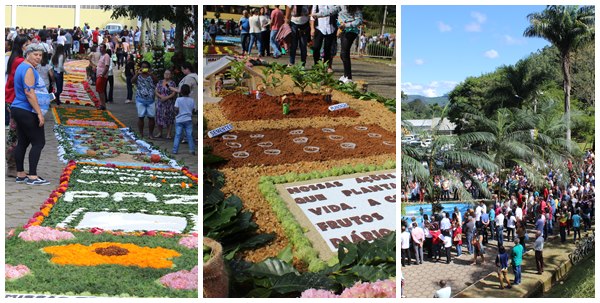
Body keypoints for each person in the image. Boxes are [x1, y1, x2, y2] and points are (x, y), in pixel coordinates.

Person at [11, 43, 50, 185]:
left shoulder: (22, 66)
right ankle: (32, 176)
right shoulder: (28, 69)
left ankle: (20, 174)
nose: (38, 58)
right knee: (39, 142)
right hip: (26, 109)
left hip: (18, 108)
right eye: (35, 54)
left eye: (40, 55)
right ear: (28, 54)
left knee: (23, 141)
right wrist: (39, 113)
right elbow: (29, 92)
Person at [5, 34, 30, 178]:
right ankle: (12, 166)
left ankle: (15, 166)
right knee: (14, 135)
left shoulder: (14, 58)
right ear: (22, 46)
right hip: (15, 100)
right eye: (27, 45)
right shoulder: (20, 61)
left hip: (12, 99)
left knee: (15, 134)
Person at [132, 61, 158, 138]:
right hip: (140, 99)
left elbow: (157, 81)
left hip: (151, 100)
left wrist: (151, 74)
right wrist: (137, 73)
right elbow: (132, 81)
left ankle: (150, 134)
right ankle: (141, 134)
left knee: (151, 117)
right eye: (143, 67)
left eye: (146, 67)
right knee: (141, 117)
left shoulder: (151, 76)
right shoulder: (138, 76)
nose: (144, 68)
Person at [337, 5, 363, 83]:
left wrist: (346, 25)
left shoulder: (356, 8)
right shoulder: (341, 5)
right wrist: (318, 15)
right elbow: (332, 10)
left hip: (351, 31)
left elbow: (359, 21)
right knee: (343, 54)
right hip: (343, 30)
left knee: (344, 53)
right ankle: (346, 75)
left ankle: (348, 77)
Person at [172, 84, 196, 155]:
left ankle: (175, 150)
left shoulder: (178, 99)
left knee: (177, 135)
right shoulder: (192, 100)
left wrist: (175, 114)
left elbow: (176, 109)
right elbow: (194, 110)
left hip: (179, 119)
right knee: (190, 135)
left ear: (181, 92)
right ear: (189, 92)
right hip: (188, 119)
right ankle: (192, 150)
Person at [154, 69, 177, 139]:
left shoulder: (172, 83)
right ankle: (160, 132)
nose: (166, 75)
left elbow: (174, 93)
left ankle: (168, 134)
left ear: (171, 75)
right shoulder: (160, 82)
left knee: (169, 118)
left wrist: (166, 97)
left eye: (168, 74)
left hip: (169, 103)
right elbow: (156, 91)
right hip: (160, 102)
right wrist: (161, 96)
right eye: (165, 73)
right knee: (159, 117)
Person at [95, 44, 110, 110]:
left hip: (102, 76)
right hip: (99, 75)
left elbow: (107, 66)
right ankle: (102, 104)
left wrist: (103, 74)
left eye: (101, 47)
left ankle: (103, 104)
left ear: (104, 48)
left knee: (101, 90)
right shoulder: (102, 56)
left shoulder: (106, 56)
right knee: (99, 90)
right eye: (99, 47)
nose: (100, 49)